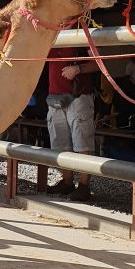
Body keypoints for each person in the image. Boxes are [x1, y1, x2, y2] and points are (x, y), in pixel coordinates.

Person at [45, 46, 100, 201]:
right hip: (56, 97)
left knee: (82, 143)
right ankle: (67, 181)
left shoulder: (82, 29)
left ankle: (83, 185)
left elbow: (100, 62)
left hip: (78, 96)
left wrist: (78, 69)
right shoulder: (54, 32)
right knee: (61, 143)